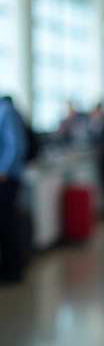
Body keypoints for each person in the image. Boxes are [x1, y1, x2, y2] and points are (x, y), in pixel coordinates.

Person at [0, 96, 28, 285]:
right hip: (8, 176)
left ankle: (13, 270)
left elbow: (16, 144)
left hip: (7, 178)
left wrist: (4, 169)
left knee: (7, 223)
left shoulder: (6, 111)